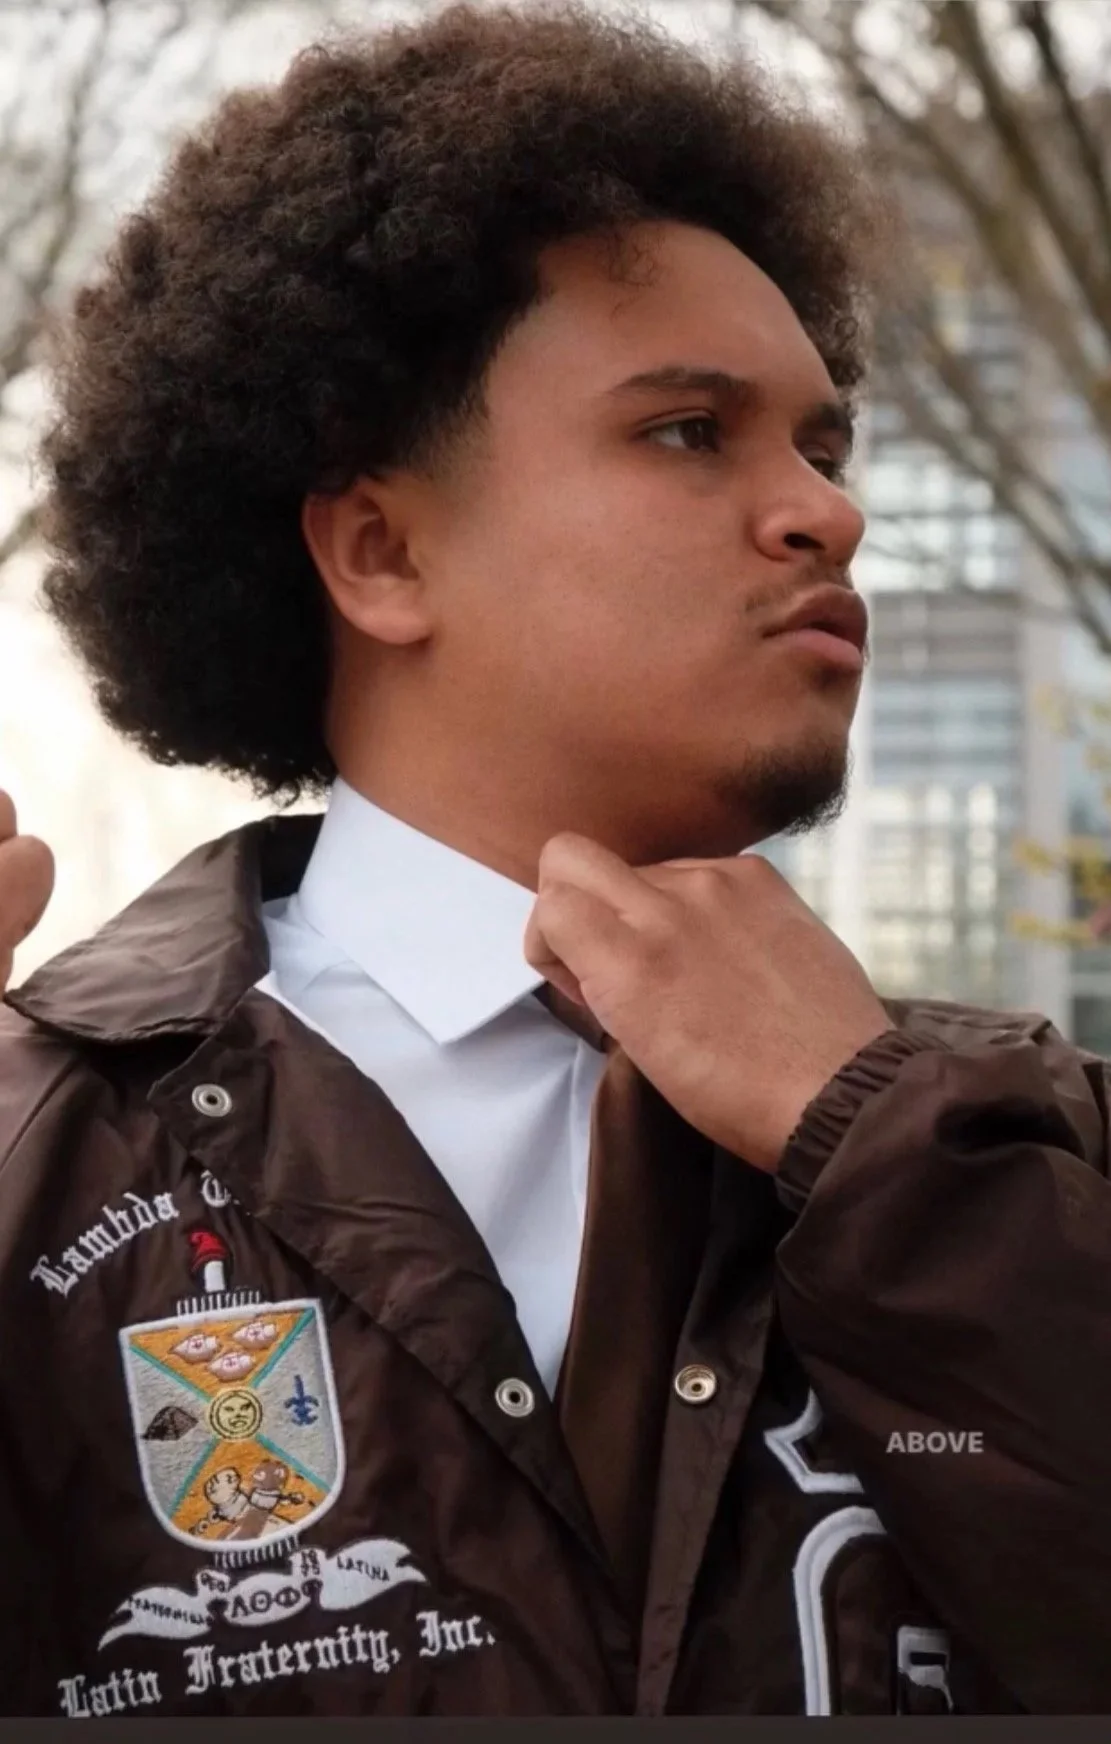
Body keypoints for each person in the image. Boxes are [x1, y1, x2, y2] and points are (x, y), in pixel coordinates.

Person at [0, 0, 1107, 1719]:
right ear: (379, 550)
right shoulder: (31, 1162)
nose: (829, 511)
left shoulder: (1035, 1148)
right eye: (688, 431)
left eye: (822, 443)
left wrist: (885, 1151)